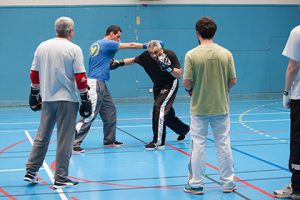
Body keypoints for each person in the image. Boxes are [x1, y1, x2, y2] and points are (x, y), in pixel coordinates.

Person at [24, 16, 92, 189]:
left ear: (56, 30)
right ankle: (61, 177)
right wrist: (85, 98)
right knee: (65, 139)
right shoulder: (73, 48)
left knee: (42, 136)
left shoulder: (42, 46)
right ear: (71, 31)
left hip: (47, 99)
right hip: (67, 100)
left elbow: (34, 73)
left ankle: (31, 171)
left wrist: (34, 93)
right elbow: (81, 77)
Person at [182, 17, 237, 194]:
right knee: (223, 143)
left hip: (199, 108)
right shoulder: (226, 53)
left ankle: (196, 183)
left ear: (198, 33)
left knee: (198, 144)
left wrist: (191, 89)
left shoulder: (191, 54)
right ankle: (228, 183)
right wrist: (222, 89)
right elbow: (233, 80)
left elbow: (187, 82)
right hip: (221, 106)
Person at [73, 25, 147, 153]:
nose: (119, 39)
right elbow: (130, 45)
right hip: (96, 83)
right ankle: (73, 143)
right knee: (89, 114)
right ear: (111, 34)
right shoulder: (108, 43)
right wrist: (146, 46)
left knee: (110, 110)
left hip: (101, 83)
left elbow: (110, 64)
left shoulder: (97, 44)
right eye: (118, 36)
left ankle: (109, 139)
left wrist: (128, 62)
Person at [111, 40, 190, 150]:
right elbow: (133, 60)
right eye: (151, 53)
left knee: (158, 108)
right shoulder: (146, 56)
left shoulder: (170, 54)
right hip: (157, 86)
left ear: (161, 49)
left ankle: (158, 141)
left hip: (170, 83)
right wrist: (119, 63)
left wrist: (170, 68)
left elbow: (179, 74)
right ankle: (184, 129)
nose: (154, 55)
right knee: (167, 114)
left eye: (156, 52)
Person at [274, 25, 300, 199]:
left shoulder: (297, 32)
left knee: (298, 141)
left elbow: (293, 66)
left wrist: (286, 92)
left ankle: (297, 186)